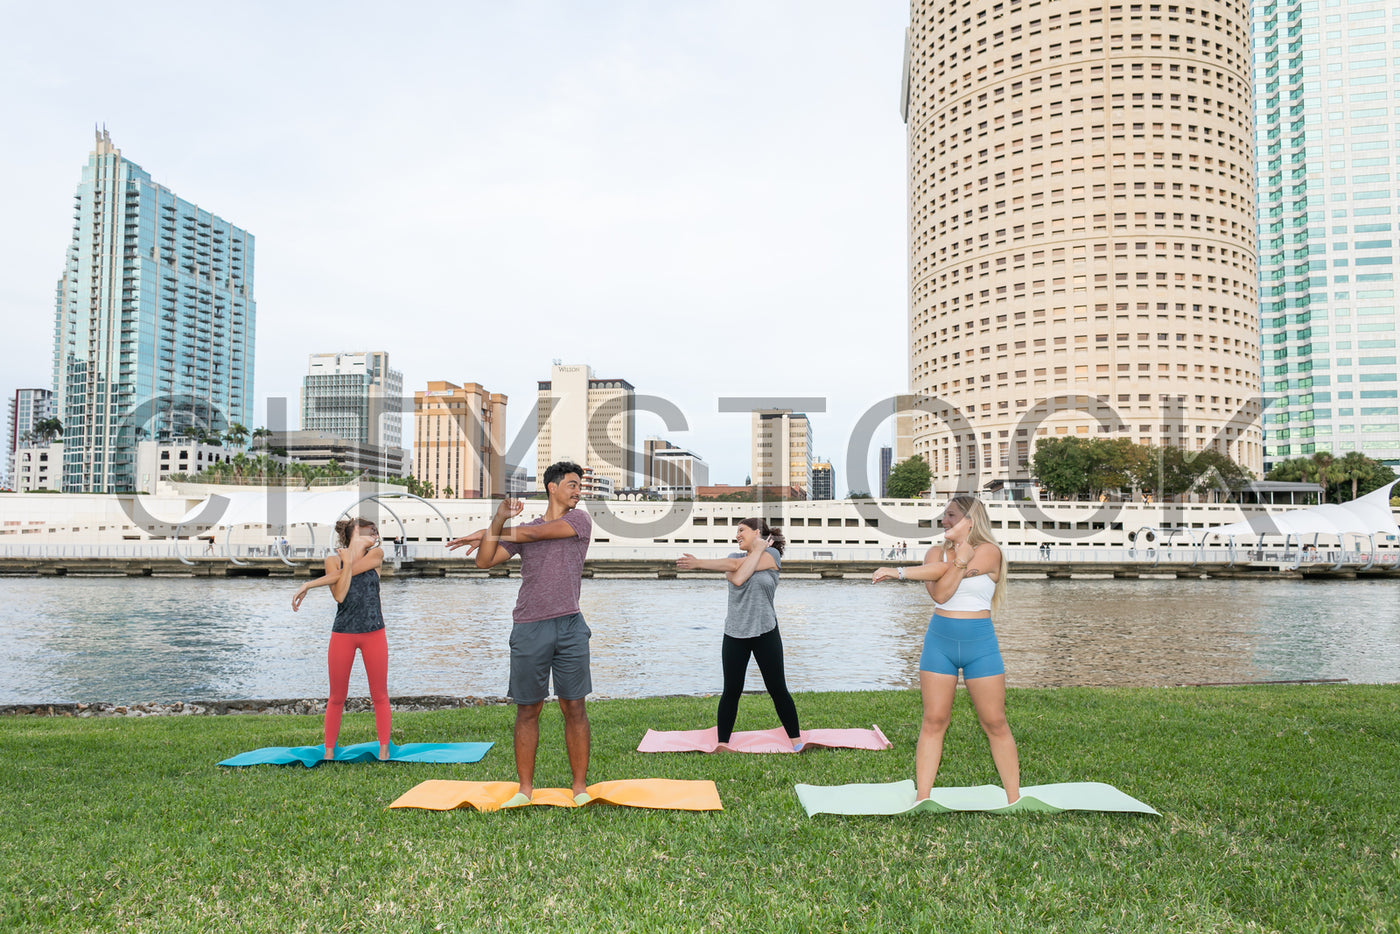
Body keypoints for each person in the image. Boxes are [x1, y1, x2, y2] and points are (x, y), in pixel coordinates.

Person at [447, 461, 593, 805]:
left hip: (571, 624)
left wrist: (491, 532)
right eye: (571, 485)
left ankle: (580, 787)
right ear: (552, 487)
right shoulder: (521, 527)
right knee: (528, 709)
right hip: (529, 626)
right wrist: (496, 523)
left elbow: (535, 534)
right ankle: (524, 790)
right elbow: (484, 562)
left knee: (575, 707)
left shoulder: (579, 521)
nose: (577, 491)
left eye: (579, 486)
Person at [872, 495, 1019, 804]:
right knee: (934, 720)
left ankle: (1014, 799)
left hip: (981, 645)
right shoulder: (933, 553)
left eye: (951, 515)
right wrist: (953, 562)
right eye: (944, 515)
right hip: (940, 642)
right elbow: (941, 594)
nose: (944, 520)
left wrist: (905, 571)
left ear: (971, 520)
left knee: (994, 722)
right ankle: (922, 798)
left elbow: (947, 580)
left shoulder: (990, 552)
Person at [676, 518, 802, 751]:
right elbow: (737, 574)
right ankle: (723, 743)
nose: (737, 534)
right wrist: (698, 563)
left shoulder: (772, 555)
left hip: (766, 630)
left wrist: (762, 549)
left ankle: (796, 742)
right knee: (731, 690)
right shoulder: (734, 558)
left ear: (757, 532)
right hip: (735, 633)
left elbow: (739, 575)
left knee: (777, 689)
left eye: (741, 530)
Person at [291, 517, 391, 761]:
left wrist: (309, 584)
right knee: (337, 696)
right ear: (354, 533)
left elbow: (351, 571)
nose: (375, 533)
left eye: (376, 530)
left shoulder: (376, 555)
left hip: (374, 632)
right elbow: (340, 595)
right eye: (370, 530)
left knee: (379, 694)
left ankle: (385, 751)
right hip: (343, 634)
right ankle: (328, 751)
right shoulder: (332, 561)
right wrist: (344, 563)